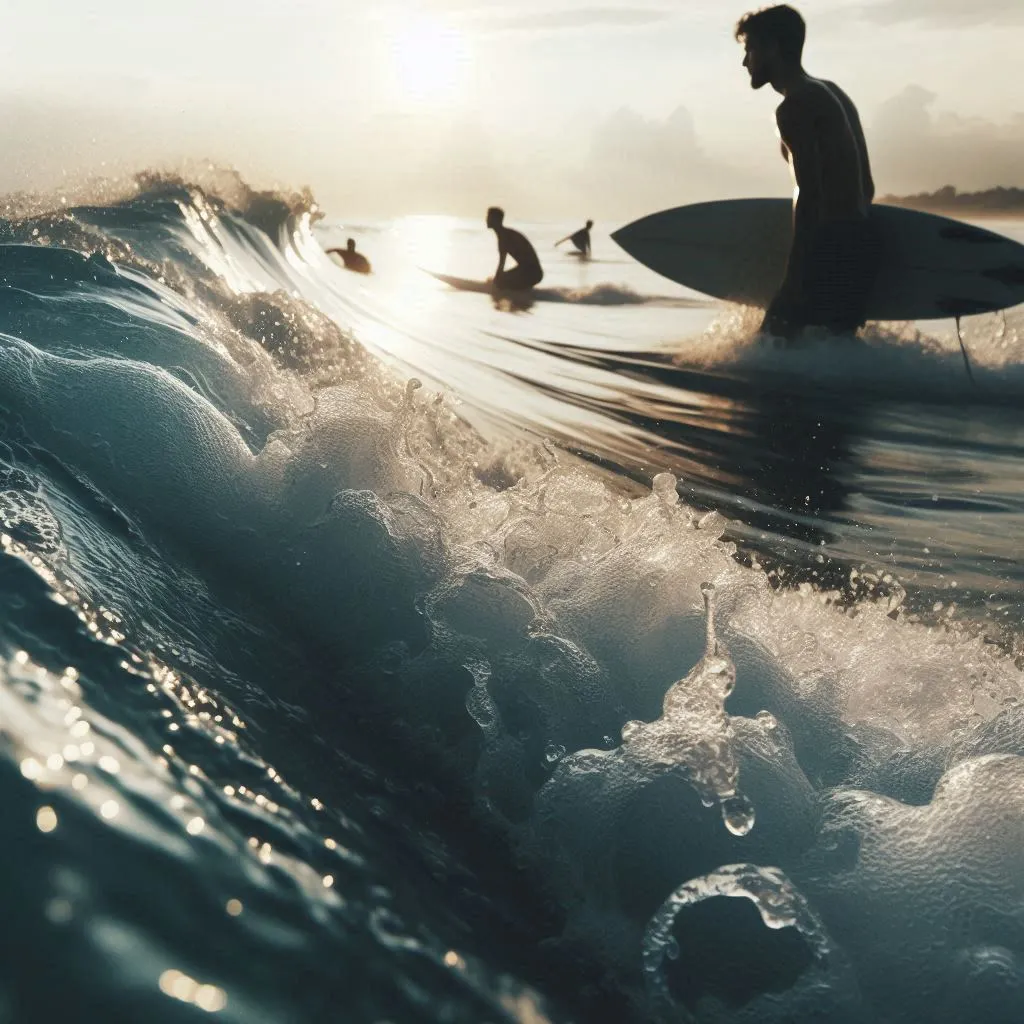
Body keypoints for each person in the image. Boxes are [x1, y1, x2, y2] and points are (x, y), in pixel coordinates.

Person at [736, 5, 877, 339]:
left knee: (770, 358)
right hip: (859, 243)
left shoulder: (793, 107)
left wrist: (794, 278)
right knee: (829, 365)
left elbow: (810, 194)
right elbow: (867, 187)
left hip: (826, 248)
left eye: (750, 50)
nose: (745, 62)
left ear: (772, 47)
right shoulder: (831, 92)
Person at [486, 207, 544, 291]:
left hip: (532, 273)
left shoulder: (505, 236)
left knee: (499, 281)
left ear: (496, 220)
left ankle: (521, 294)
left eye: (489, 217)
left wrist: (495, 282)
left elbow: (502, 263)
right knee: (500, 279)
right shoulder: (504, 234)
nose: (486, 219)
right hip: (530, 272)